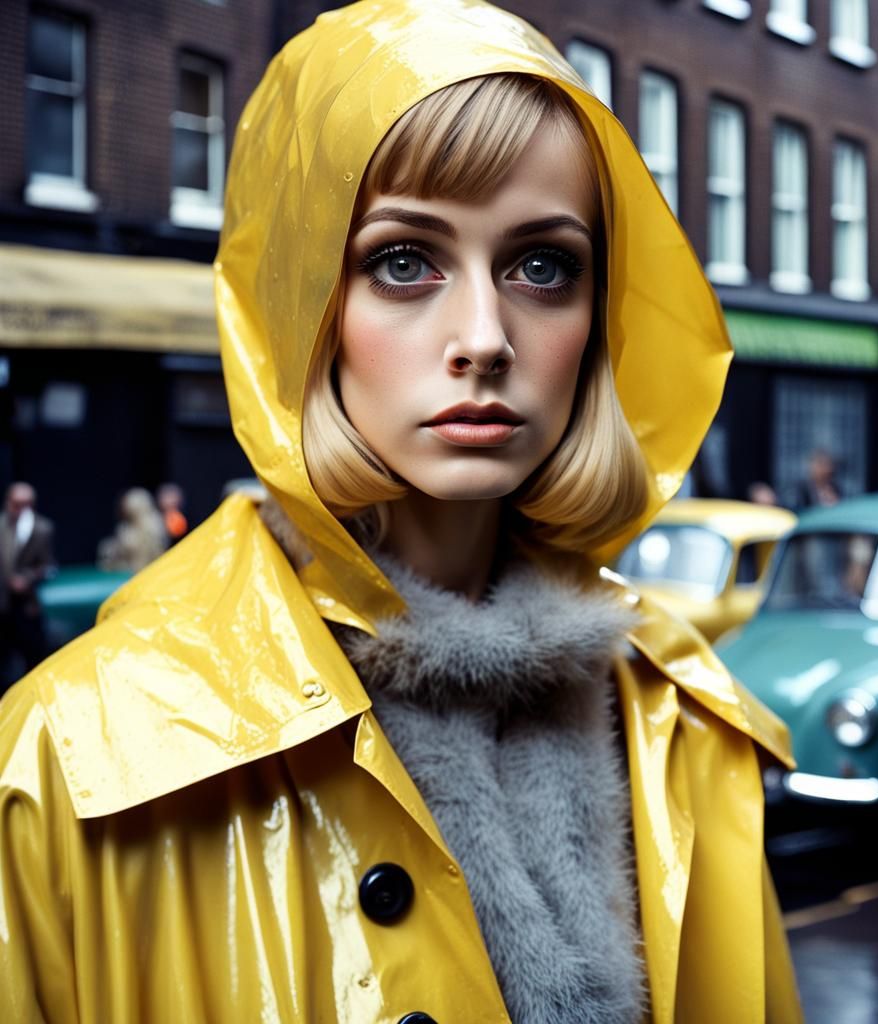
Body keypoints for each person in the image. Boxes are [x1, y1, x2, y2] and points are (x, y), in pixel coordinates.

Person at [0, 3, 802, 1021]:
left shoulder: (683, 729)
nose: (483, 336)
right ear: (302, 306)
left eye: (542, 266)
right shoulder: (67, 759)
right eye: (403, 261)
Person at [0, 482, 55, 682]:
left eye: (26, 504)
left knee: (32, 659)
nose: (21, 509)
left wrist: (28, 579)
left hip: (26, 605)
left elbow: (48, 565)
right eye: (16, 504)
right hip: (3, 603)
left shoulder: (42, 529)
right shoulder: (2, 526)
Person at [96, 487, 168, 573]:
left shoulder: (155, 524)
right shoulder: (125, 528)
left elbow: (158, 552)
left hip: (150, 570)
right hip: (128, 571)